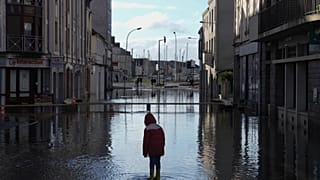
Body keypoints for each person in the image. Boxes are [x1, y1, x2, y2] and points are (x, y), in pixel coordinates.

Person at [143, 112, 165, 180]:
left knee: (152, 162)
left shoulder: (147, 129)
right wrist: (162, 147)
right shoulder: (159, 127)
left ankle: (151, 177)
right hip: (159, 148)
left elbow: (146, 142)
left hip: (151, 149)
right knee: (158, 162)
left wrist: (145, 152)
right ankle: (158, 177)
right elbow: (163, 139)